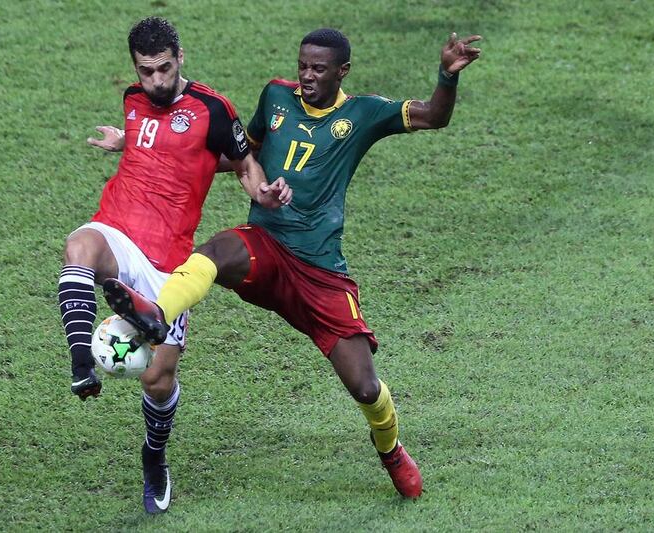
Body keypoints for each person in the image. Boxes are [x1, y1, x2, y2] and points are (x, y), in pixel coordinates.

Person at [101, 28, 481, 500]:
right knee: (216, 251)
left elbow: (434, 117)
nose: (306, 75)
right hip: (265, 246)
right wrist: (144, 145)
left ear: (342, 71)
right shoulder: (277, 96)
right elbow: (243, 153)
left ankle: (392, 451)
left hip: (320, 272)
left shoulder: (362, 113)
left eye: (318, 69)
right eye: (303, 65)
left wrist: (447, 75)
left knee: (365, 388)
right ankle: (155, 313)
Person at [61, 16, 291, 514]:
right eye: (146, 72)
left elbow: (243, 159)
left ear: (180, 57)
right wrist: (124, 142)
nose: (156, 81)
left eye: (164, 69)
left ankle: (154, 455)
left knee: (157, 379)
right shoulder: (131, 100)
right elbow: (153, 138)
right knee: (79, 246)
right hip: (119, 228)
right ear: (135, 69)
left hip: (168, 264)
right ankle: (83, 364)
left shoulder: (211, 108)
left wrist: (263, 193)